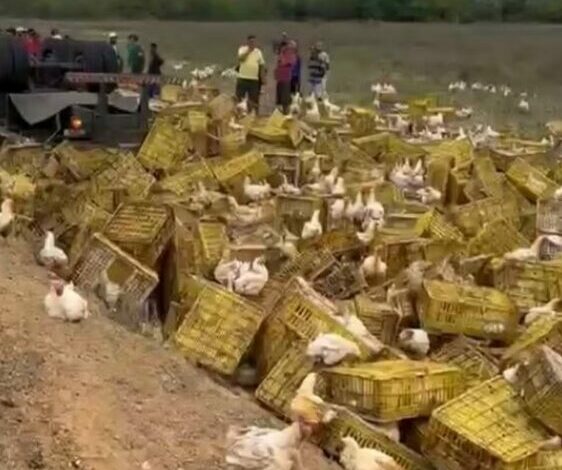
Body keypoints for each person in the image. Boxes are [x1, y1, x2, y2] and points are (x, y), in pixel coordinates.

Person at [236, 35, 265, 114]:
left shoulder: (258, 52)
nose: (252, 43)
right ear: (247, 42)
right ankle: (239, 113)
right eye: (251, 41)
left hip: (254, 79)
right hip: (243, 77)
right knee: (239, 97)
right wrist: (249, 51)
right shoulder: (242, 49)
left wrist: (263, 78)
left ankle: (253, 114)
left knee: (254, 99)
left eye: (253, 42)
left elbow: (261, 65)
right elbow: (241, 58)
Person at [275, 41, 297, 114]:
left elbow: (285, 63)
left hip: (286, 78)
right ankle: (280, 113)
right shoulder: (281, 54)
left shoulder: (292, 55)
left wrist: (282, 57)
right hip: (279, 79)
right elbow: (278, 63)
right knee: (279, 98)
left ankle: (286, 113)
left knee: (285, 99)